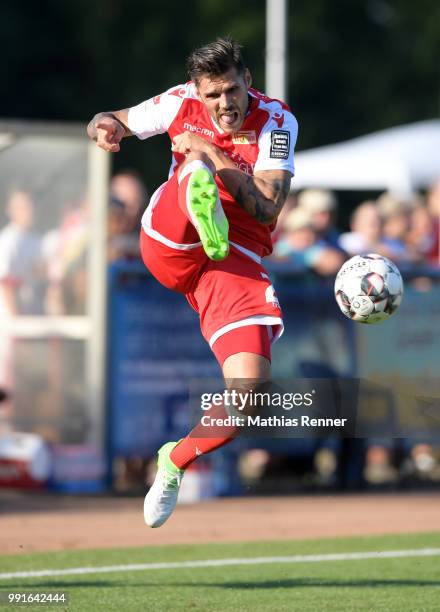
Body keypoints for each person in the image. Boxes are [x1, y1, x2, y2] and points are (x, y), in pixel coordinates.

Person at [87, 37, 298, 527]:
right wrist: (102, 127)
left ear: (248, 81)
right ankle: (198, 196)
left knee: (250, 389)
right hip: (170, 240)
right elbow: (112, 118)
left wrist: (211, 152)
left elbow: (267, 206)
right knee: (192, 167)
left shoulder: (277, 122)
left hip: (232, 257)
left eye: (231, 90)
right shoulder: (178, 101)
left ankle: (175, 460)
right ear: (196, 92)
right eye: (213, 95)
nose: (225, 104)